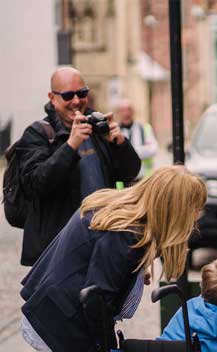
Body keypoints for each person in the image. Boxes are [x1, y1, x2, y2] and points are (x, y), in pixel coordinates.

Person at [20, 165, 207, 352]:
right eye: (193, 209)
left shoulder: (115, 209)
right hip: (67, 329)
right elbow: (96, 298)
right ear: (174, 207)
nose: (196, 217)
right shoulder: (126, 234)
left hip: (47, 316)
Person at [14, 66, 141, 267]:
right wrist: (71, 146)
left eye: (82, 93)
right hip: (58, 250)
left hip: (101, 242)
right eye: (68, 95)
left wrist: (120, 144)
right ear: (52, 97)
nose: (76, 101)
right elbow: (36, 184)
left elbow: (130, 172)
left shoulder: (97, 128)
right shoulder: (37, 134)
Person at [115, 99, 158, 179]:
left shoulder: (145, 128)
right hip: (124, 181)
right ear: (119, 113)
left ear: (133, 112)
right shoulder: (115, 131)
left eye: (129, 110)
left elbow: (153, 149)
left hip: (144, 178)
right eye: (123, 110)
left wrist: (129, 151)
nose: (126, 113)